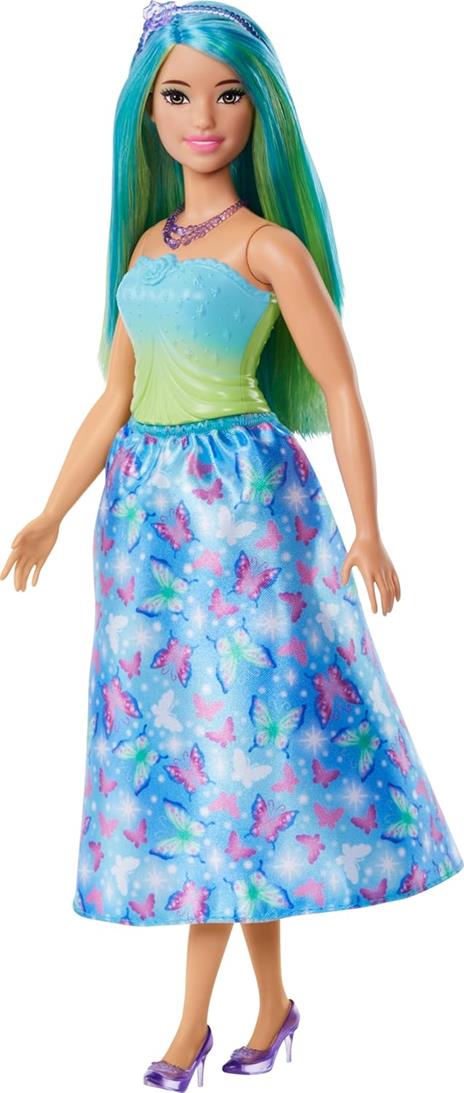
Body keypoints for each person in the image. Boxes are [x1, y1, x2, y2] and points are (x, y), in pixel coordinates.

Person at [1, 3, 462, 1089]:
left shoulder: (268, 246)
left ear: (259, 113)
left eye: (226, 95)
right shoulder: (144, 247)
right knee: (207, 767)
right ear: (146, 112)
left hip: (241, 511)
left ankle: (188, 1028)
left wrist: (369, 528)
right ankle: (274, 1006)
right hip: (145, 527)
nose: (201, 116)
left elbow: (340, 383)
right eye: (177, 95)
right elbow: (113, 398)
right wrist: (51, 510)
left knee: (237, 753)